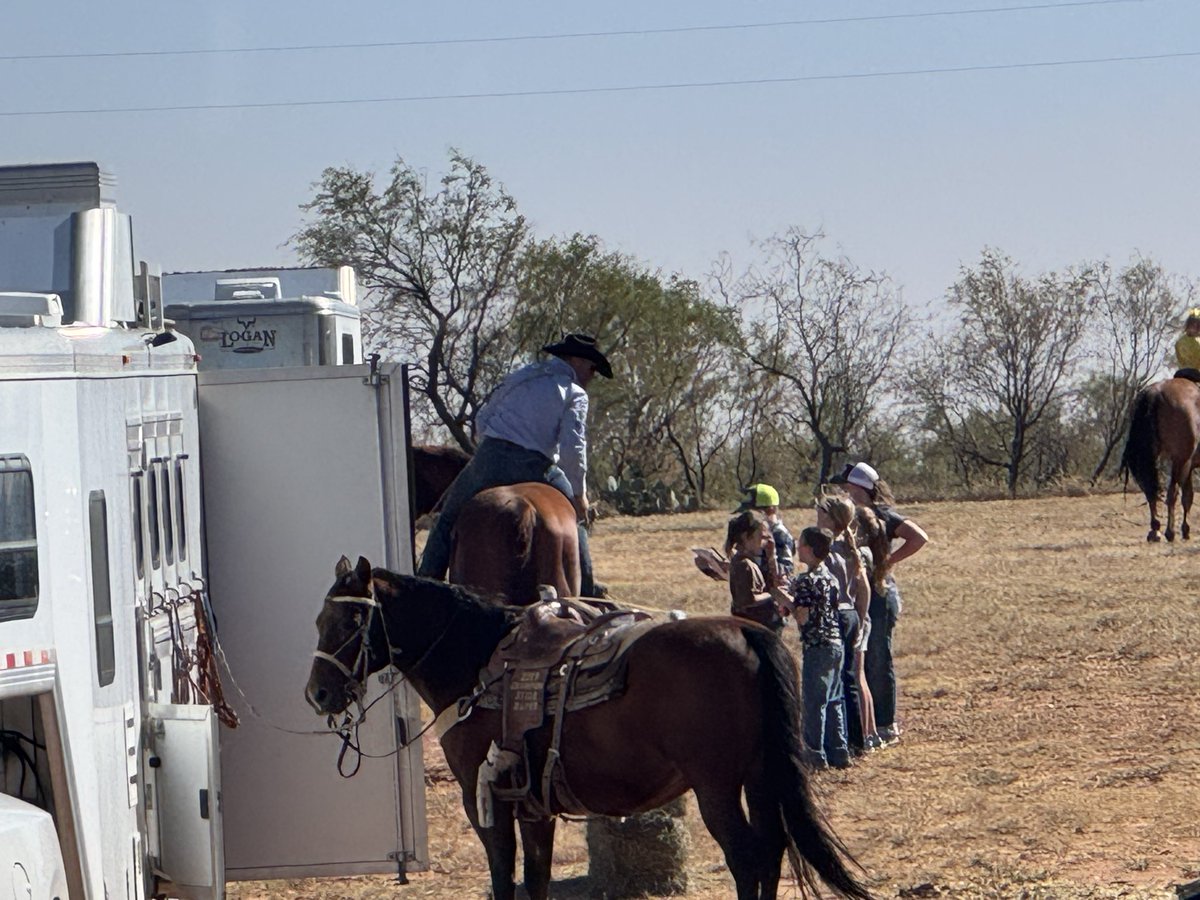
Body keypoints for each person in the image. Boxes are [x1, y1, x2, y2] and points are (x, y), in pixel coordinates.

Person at [416, 332, 612, 597]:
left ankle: (426, 587)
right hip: (537, 465)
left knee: (447, 518)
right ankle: (589, 593)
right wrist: (579, 495)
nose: (592, 376)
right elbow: (573, 448)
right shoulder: (575, 394)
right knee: (575, 521)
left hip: (490, 458)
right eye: (592, 368)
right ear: (577, 361)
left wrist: (489, 446)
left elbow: (484, 417)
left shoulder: (524, 375)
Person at [832, 461, 928, 747]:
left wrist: (886, 564)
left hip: (880, 593)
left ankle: (886, 724)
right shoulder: (852, 514)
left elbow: (919, 537)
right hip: (864, 592)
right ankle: (868, 722)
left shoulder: (882, 515)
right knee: (864, 658)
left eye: (846, 487)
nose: (844, 492)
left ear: (857, 487)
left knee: (877, 657)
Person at [789, 525, 852, 770]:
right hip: (836, 644)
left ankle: (815, 755)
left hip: (817, 645)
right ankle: (839, 750)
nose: (798, 547)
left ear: (810, 549)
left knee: (815, 702)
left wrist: (783, 598)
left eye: (801, 543)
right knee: (835, 699)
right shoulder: (830, 577)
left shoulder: (807, 581)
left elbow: (802, 617)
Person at [814, 494, 870, 757]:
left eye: (819, 510)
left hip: (834, 616)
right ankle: (857, 740)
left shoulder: (828, 550)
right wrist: (861, 618)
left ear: (829, 517)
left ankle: (835, 741)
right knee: (848, 679)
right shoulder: (850, 549)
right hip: (851, 615)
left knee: (832, 682)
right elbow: (864, 588)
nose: (816, 514)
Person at [724, 510, 791, 632]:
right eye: (761, 536)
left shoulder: (746, 562)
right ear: (746, 537)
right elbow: (748, 599)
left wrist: (772, 557)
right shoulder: (745, 565)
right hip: (753, 627)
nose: (764, 543)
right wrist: (773, 596)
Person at [737, 483, 795, 585]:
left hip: (771, 596)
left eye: (754, 512)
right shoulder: (755, 532)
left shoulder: (779, 534)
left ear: (770, 509)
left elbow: (786, 569)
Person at [1174, 307, 1200, 381]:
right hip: (1194, 374)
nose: (1195, 327)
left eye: (1197, 325)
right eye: (1193, 324)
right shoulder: (1182, 342)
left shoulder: (1180, 341)